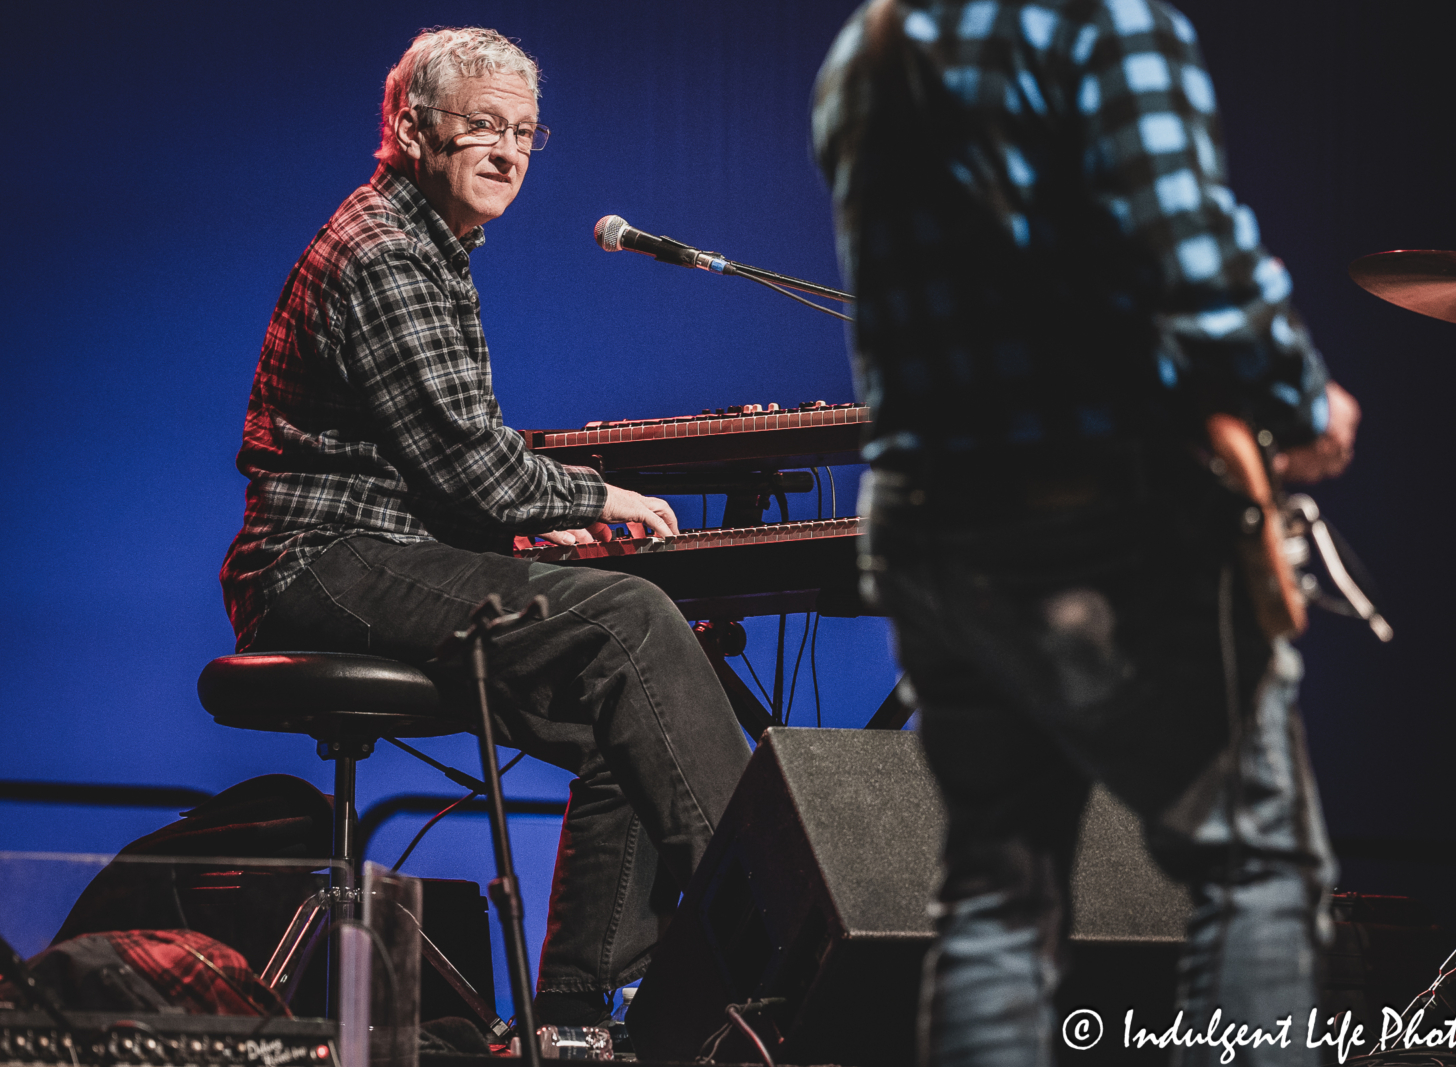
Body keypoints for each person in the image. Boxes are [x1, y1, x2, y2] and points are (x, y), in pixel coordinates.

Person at [812, 1, 1359, 1064]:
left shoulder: (864, 51)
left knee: (995, 899)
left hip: (927, 522)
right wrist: (1298, 400)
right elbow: (1187, 251)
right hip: (1090, 511)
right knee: (1254, 867)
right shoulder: (1094, 20)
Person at [220, 27, 752, 1028]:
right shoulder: (383, 253)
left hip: (382, 552)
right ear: (410, 128)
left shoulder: (429, 245)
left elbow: (448, 475)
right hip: (318, 565)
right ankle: (776, 929)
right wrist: (593, 499)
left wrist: (523, 533)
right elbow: (467, 461)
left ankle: (580, 1016)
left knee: (626, 719)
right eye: (483, 127)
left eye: (524, 131)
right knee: (635, 623)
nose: (508, 150)